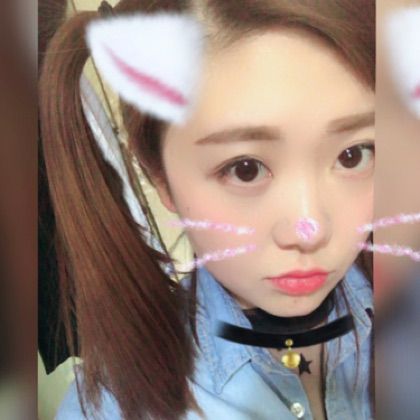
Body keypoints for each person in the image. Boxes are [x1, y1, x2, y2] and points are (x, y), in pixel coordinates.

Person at [39, 1, 375, 419]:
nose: (310, 230)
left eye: (353, 155)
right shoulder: (111, 407)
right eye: (245, 169)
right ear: (161, 179)